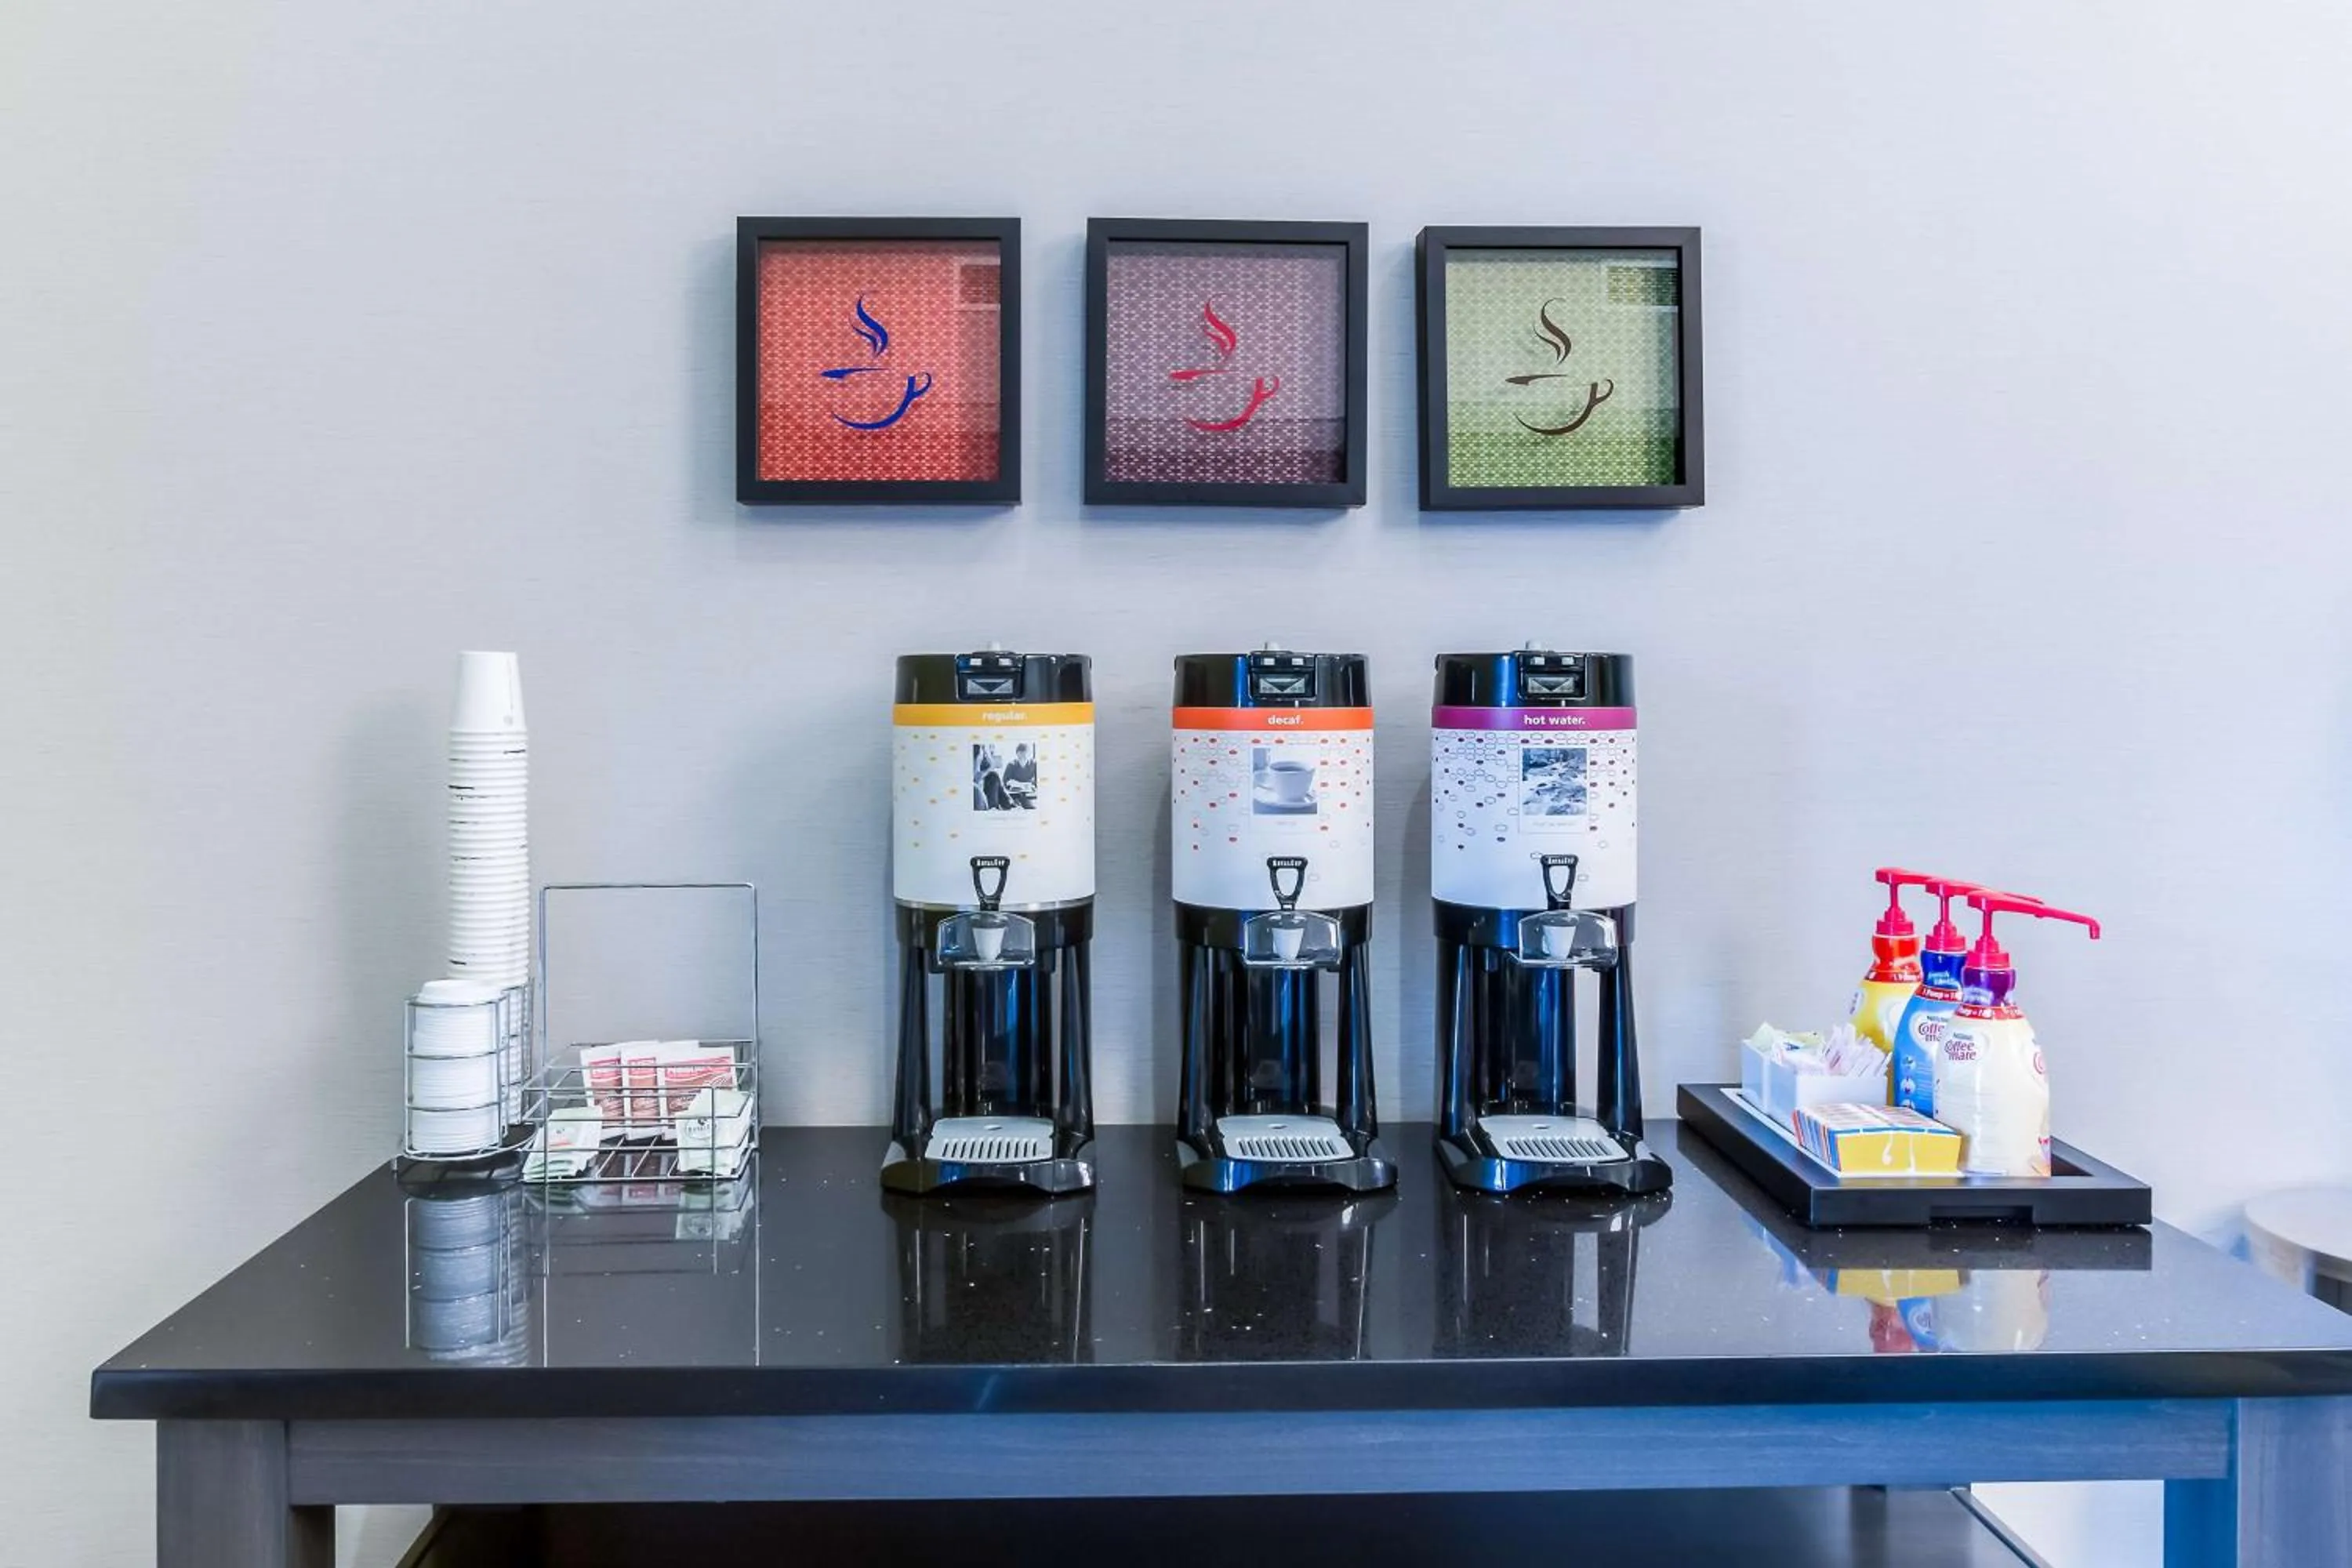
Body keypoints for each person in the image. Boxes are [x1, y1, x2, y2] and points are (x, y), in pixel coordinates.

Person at [1003, 742, 1038, 808]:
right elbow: (1006, 781)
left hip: (1030, 793)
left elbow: (1038, 780)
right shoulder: (1011, 765)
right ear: (1017, 754)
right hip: (1015, 794)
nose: (1023, 757)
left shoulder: (1034, 764)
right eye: (1021, 754)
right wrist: (1021, 785)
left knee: (1031, 807)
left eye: (1025, 754)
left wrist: (1032, 785)